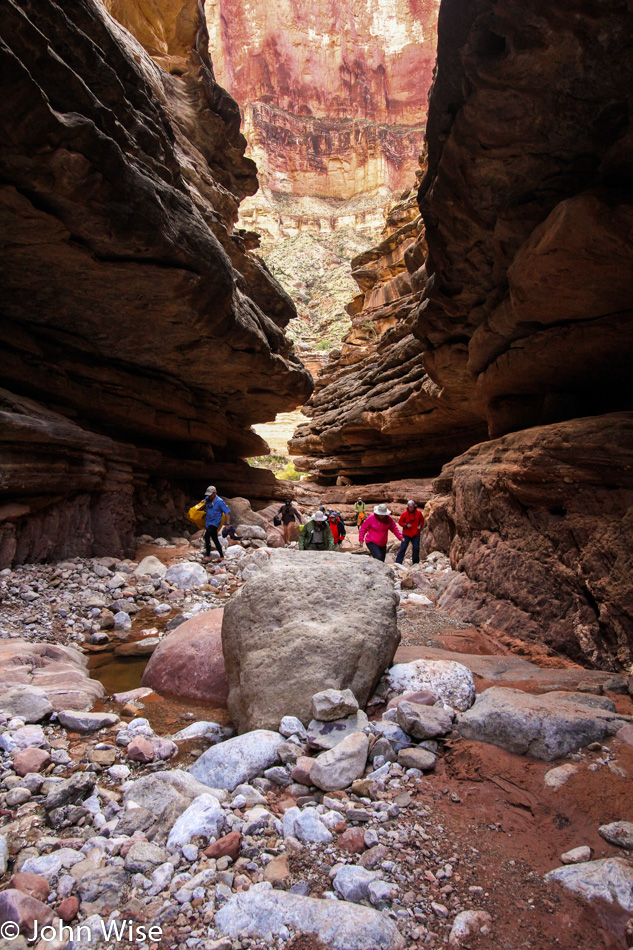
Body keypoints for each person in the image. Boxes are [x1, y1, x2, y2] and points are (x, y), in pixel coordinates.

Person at [202, 486, 231, 561]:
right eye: (208, 494)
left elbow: (227, 512)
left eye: (210, 494)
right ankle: (221, 556)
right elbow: (204, 506)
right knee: (215, 539)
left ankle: (208, 556)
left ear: (214, 493)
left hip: (215, 523)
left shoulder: (220, 502)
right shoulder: (207, 499)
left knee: (206, 536)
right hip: (208, 522)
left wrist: (227, 524)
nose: (209, 496)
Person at [396, 500, 425, 565]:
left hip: (416, 533)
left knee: (416, 548)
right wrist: (406, 525)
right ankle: (398, 562)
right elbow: (400, 522)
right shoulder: (404, 514)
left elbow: (422, 521)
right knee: (403, 548)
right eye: (410, 507)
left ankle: (415, 562)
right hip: (406, 533)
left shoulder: (418, 513)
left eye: (412, 507)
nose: (411, 508)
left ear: (414, 507)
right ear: (408, 507)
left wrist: (420, 526)